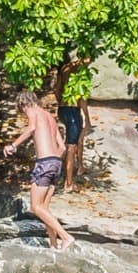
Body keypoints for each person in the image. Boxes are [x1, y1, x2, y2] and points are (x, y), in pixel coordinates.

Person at [5, 91, 74, 250]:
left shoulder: (32, 111)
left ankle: (66, 237)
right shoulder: (50, 117)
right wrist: (53, 160)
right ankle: (53, 244)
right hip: (56, 163)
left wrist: (13, 145)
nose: (24, 113)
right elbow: (62, 147)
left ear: (24, 104)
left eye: (22, 109)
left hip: (45, 163)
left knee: (35, 207)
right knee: (44, 208)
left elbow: (31, 129)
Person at [50, 56, 93, 194]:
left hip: (62, 109)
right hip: (73, 111)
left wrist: (61, 102)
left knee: (77, 140)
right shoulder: (80, 72)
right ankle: (68, 183)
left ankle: (79, 167)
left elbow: (56, 90)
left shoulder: (65, 68)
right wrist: (87, 118)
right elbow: (82, 99)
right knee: (71, 147)